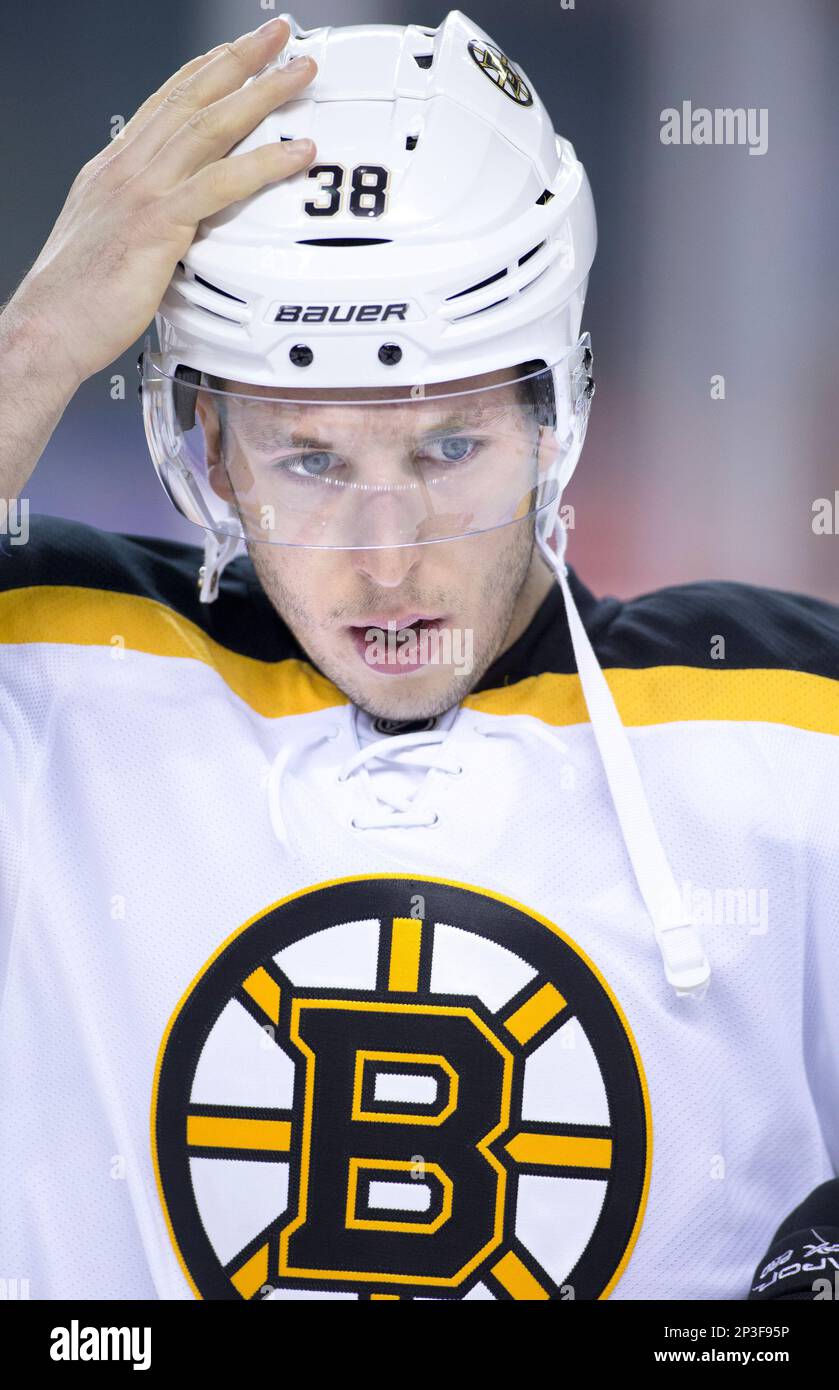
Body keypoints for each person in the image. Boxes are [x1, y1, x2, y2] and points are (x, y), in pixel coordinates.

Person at [0, 10, 837, 1304]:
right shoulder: (50, 668)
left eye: (449, 451)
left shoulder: (793, 729)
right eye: (311, 460)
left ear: (552, 418)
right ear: (209, 454)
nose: (386, 557)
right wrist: (33, 345)